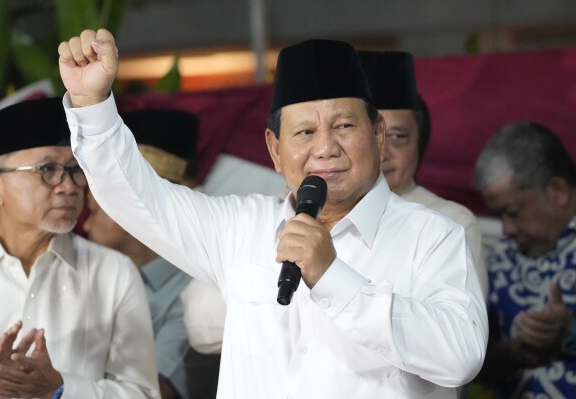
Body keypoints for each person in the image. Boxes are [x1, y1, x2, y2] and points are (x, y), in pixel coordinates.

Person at [58, 28, 487, 399]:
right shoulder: (241, 227)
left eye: (344, 126)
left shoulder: (433, 234)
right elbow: (137, 197)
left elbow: (460, 356)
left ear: (377, 134)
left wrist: (333, 277)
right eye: (304, 132)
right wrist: (92, 104)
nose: (325, 148)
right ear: (275, 150)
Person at [0, 97, 159, 399]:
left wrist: (62, 389)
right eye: (47, 169)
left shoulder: (112, 273)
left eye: (75, 169)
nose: (69, 185)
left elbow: (143, 394)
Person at [83, 108, 222, 399]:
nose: (84, 223)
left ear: (137, 201)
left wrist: (58, 385)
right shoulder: (94, 274)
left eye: (96, 209)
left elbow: (156, 393)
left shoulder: (198, 291)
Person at [358, 50, 487, 297]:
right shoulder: (296, 210)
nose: (382, 153)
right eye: (370, 137)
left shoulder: (451, 223)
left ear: (420, 144)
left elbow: (463, 330)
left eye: (397, 137)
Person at [472, 121, 576, 398]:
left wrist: (570, 331)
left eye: (513, 212)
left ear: (558, 191)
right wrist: (517, 351)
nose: (506, 229)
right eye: (500, 216)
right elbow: (473, 364)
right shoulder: (499, 260)